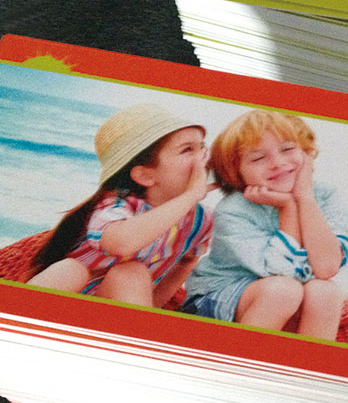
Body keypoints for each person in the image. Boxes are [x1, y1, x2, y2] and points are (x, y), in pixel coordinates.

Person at [182, 109, 348, 341]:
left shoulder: (324, 196)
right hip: (217, 299)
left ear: (307, 153)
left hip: (283, 296)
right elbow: (281, 271)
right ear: (236, 172)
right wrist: (288, 208)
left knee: (325, 291)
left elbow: (327, 268)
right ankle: (237, 357)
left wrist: (305, 199)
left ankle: (308, 361)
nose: (277, 163)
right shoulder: (234, 210)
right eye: (258, 158)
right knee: (283, 290)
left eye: (288, 149)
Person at [27, 104, 213, 308]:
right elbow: (121, 244)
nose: (203, 157)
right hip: (71, 299)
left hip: (120, 307)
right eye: (187, 150)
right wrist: (191, 194)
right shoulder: (115, 206)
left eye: (202, 147)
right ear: (145, 175)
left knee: (131, 274)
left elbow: (185, 263)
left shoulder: (201, 221)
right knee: (71, 269)